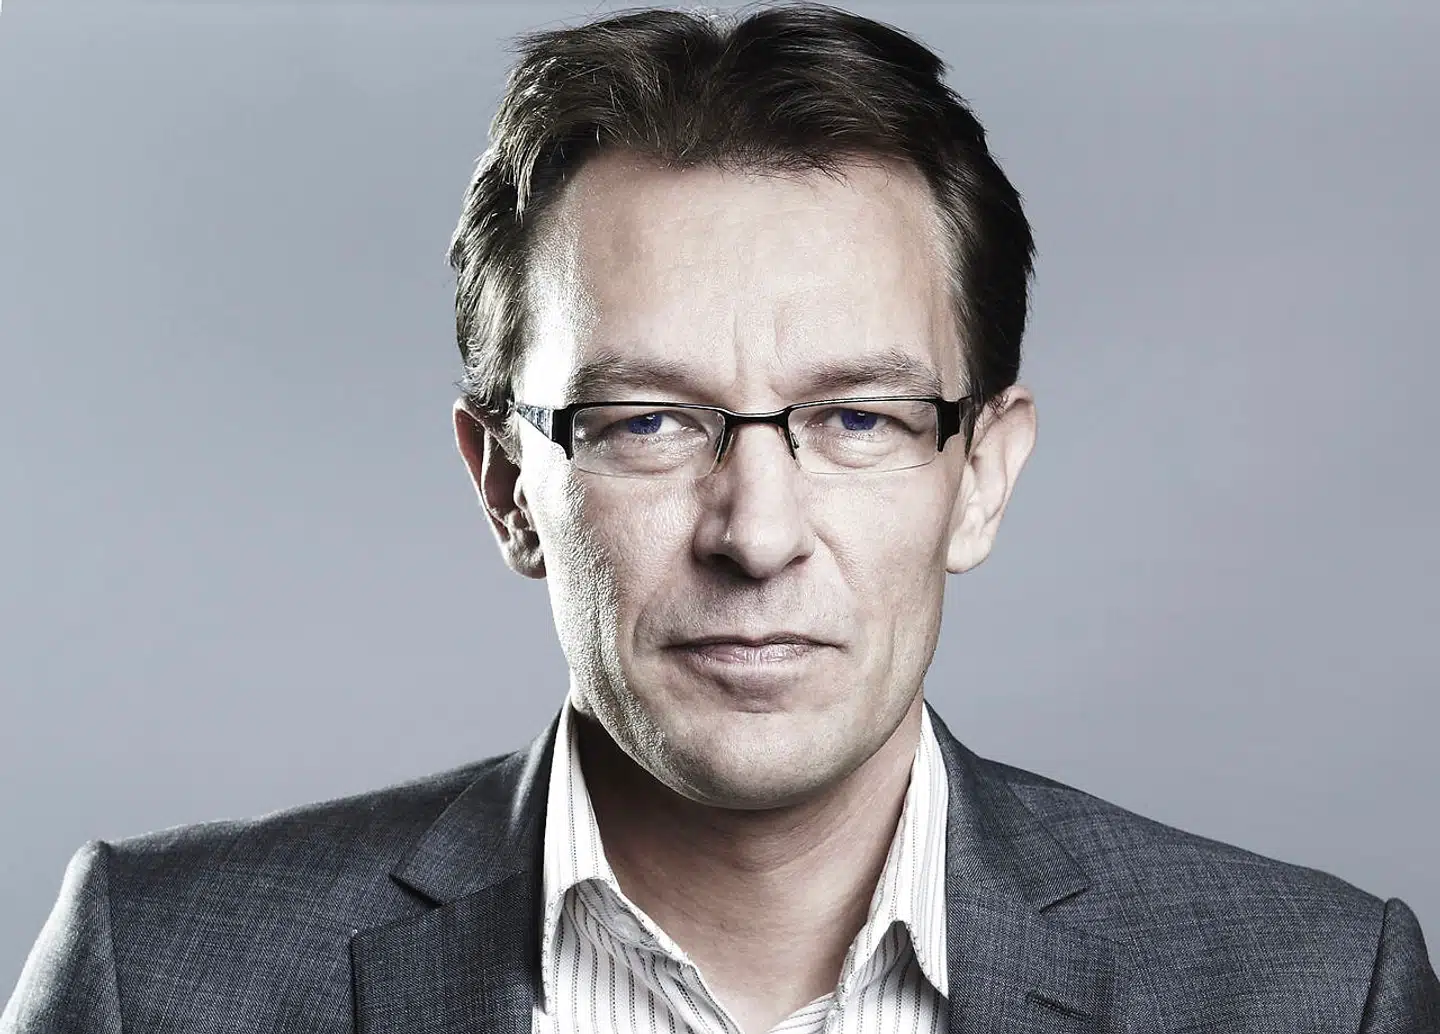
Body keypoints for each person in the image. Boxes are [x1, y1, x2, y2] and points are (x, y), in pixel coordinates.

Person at [4, 4, 1436, 1032]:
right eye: (647, 422)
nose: (756, 534)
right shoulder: (164, 976)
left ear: (981, 475)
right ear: (506, 484)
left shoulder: (1316, 992)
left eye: (858, 418)